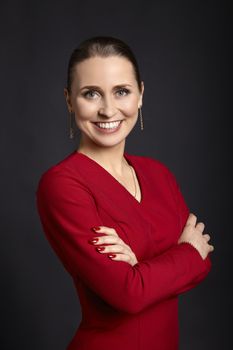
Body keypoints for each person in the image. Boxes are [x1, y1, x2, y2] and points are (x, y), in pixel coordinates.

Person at [36, 36, 214, 350]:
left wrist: (141, 271)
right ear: (68, 100)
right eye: (91, 94)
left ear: (141, 95)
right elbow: (128, 295)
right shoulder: (62, 184)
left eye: (122, 91)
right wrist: (185, 254)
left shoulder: (159, 174)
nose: (108, 110)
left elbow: (204, 264)